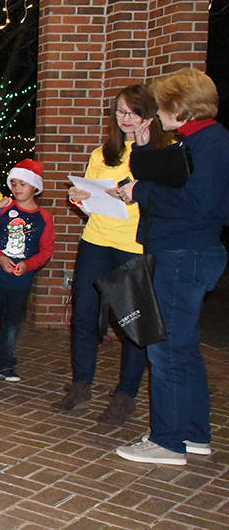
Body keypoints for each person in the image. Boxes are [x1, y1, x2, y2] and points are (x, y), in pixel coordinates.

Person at [114, 68, 229, 466]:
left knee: (166, 349)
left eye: (161, 103)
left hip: (185, 253)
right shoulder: (194, 139)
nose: (156, 110)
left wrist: (140, 191)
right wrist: (143, 150)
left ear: (178, 104)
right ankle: (192, 433)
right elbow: (166, 177)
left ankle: (168, 441)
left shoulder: (211, 141)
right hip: (178, 251)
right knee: (182, 348)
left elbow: (200, 202)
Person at [55, 84, 164, 424]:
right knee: (85, 317)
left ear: (148, 115)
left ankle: (125, 395)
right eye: (119, 111)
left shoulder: (162, 152)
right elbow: (90, 200)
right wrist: (80, 196)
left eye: (131, 112)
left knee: (132, 322)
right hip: (96, 240)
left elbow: (165, 201)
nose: (124, 118)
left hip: (133, 245)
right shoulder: (102, 153)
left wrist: (136, 196)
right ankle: (81, 383)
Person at [0, 160, 54, 383]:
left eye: (22, 184)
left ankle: (5, 363)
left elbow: (46, 250)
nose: (17, 189)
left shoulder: (44, 217)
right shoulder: (4, 208)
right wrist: (0, 257)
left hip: (20, 282)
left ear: (35, 187)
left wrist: (28, 265)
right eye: (14, 183)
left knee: (12, 324)